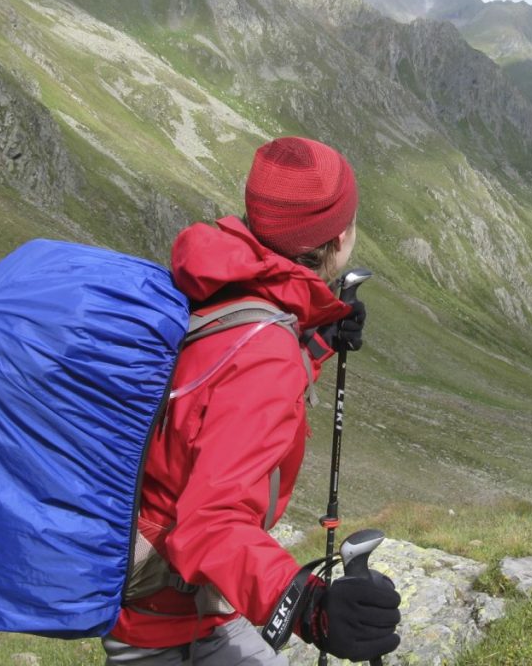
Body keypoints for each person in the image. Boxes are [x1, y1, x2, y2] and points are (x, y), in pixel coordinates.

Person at [102, 137, 402, 665]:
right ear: (339, 237)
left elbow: (216, 394)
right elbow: (210, 522)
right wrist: (309, 607)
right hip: (172, 627)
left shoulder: (220, 278)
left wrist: (314, 343)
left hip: (178, 603)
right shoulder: (265, 350)